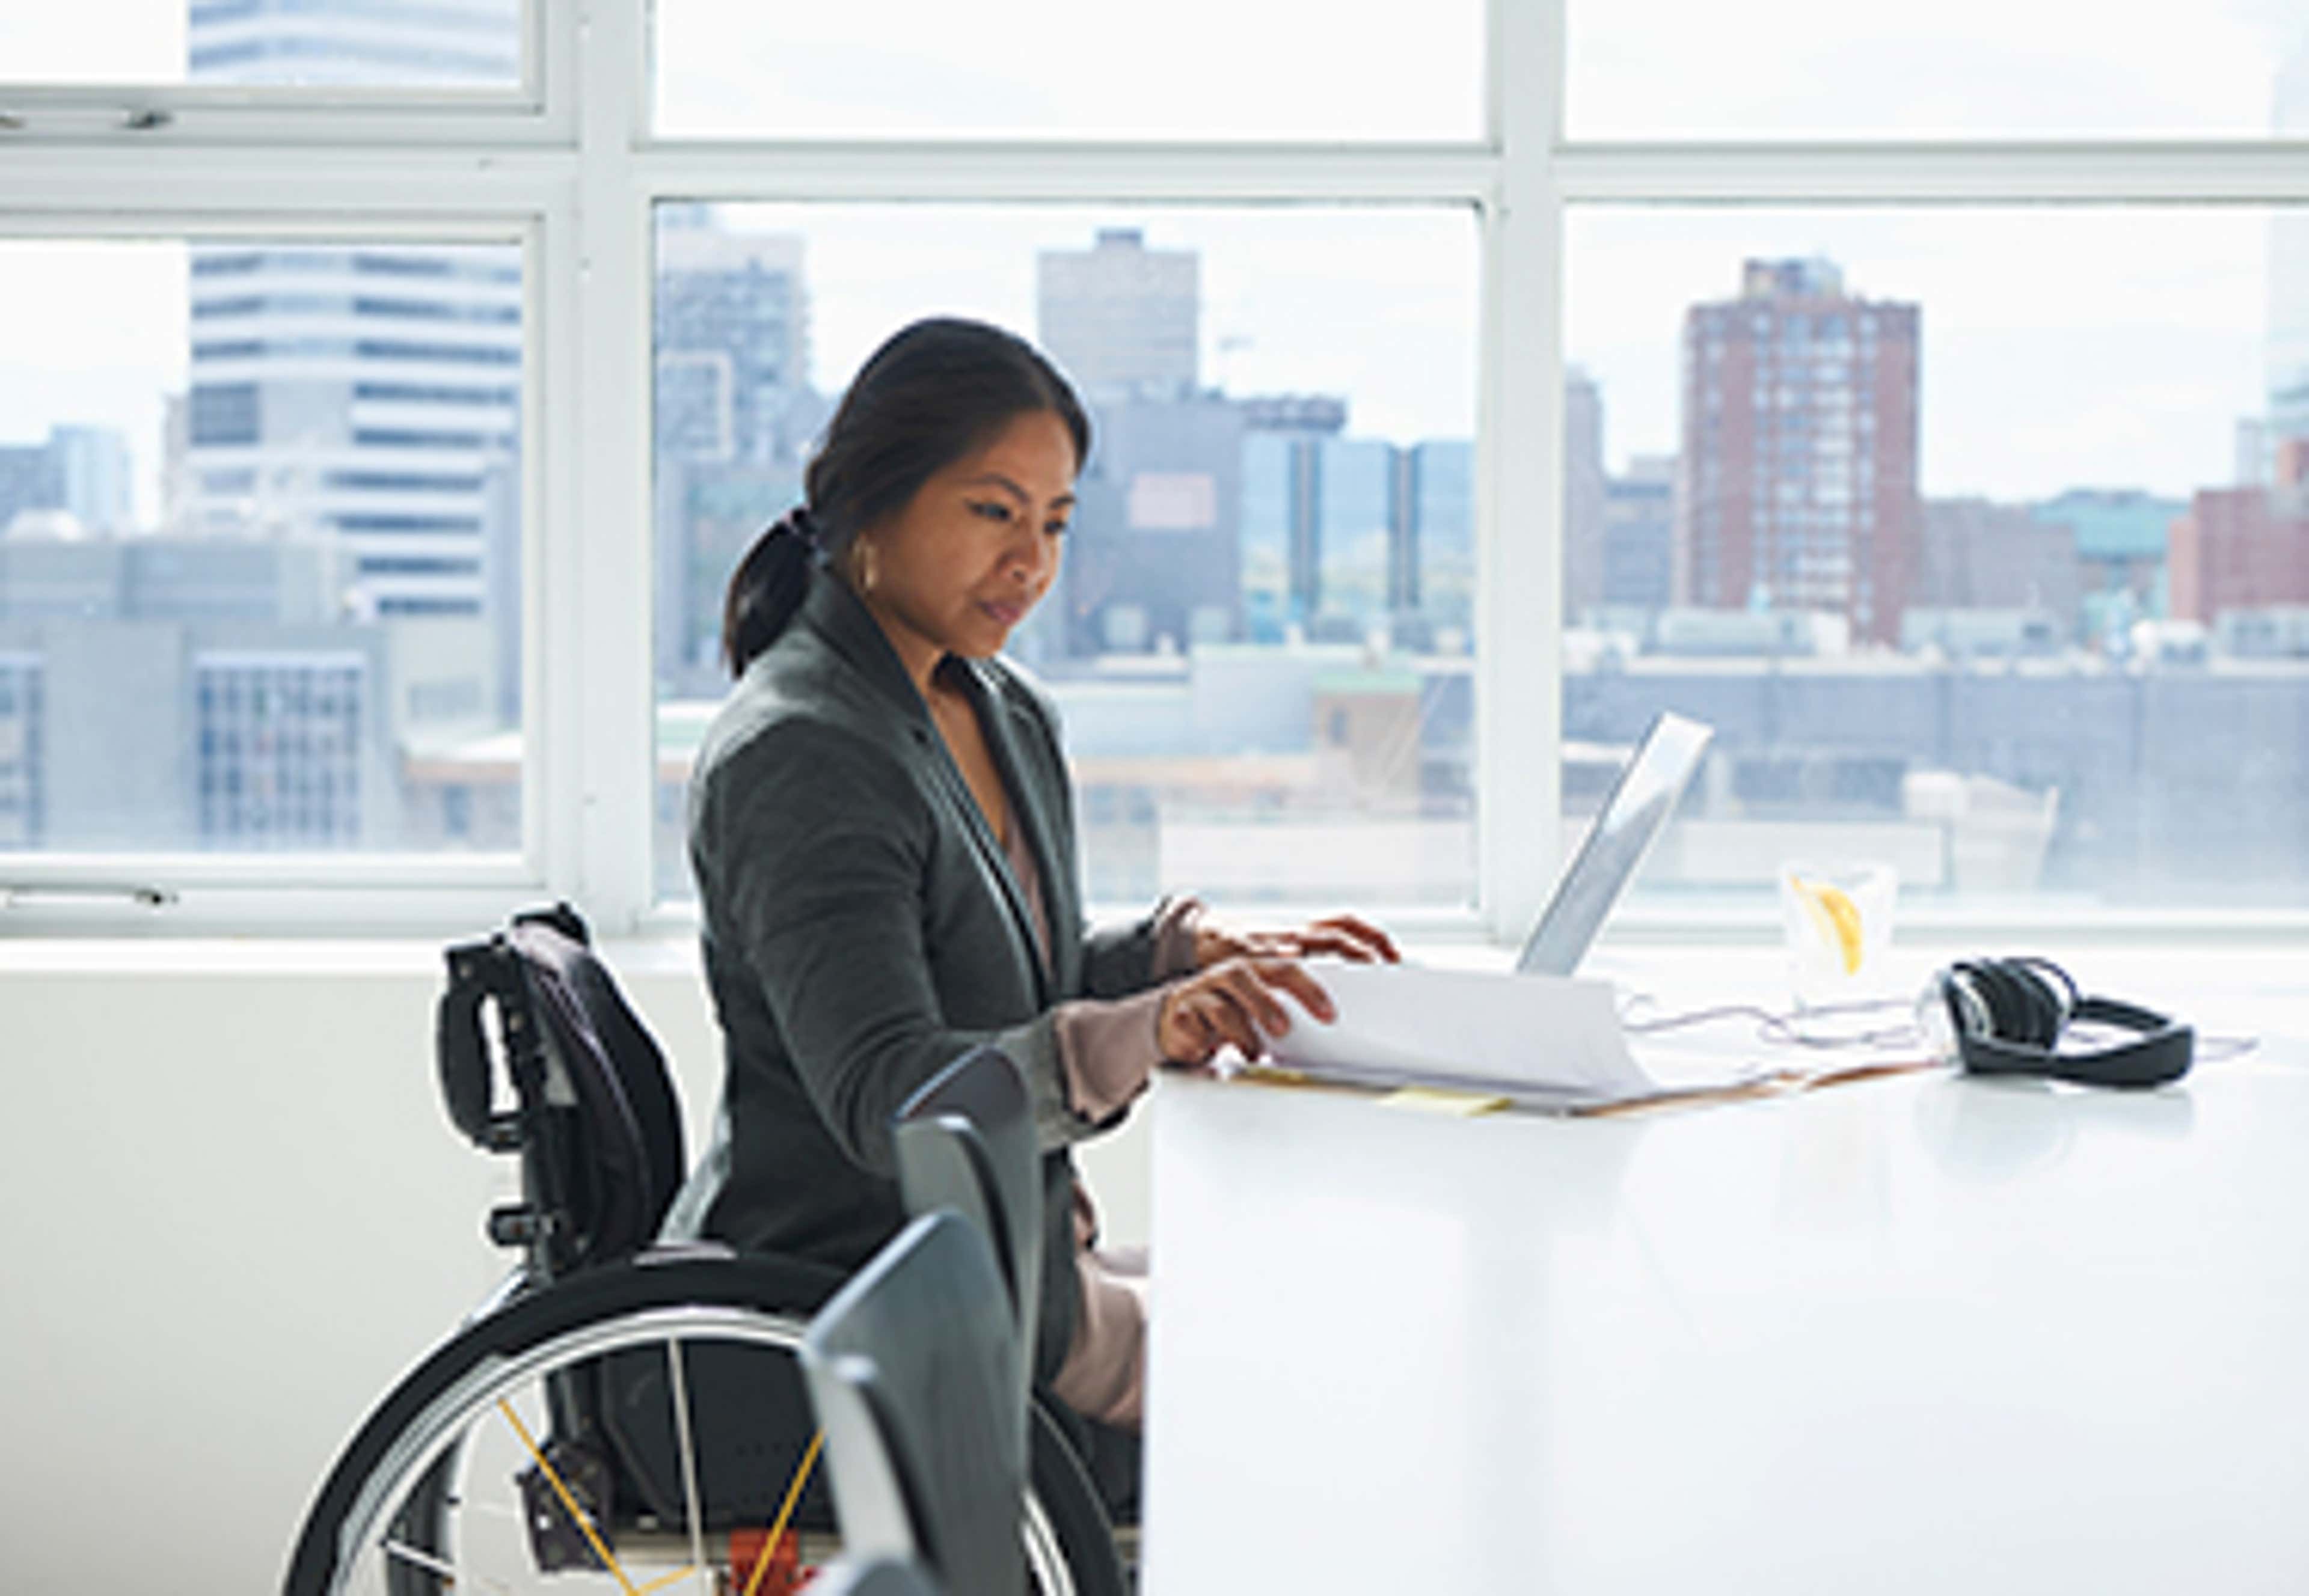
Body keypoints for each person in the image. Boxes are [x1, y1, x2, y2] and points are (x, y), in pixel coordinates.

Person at [678, 316, 1397, 1451]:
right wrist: (1148, 1029)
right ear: (872, 497)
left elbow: (1009, 978)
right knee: (1338, 1379)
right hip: (879, 1301)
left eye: (1056, 523)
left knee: (1344, 1302)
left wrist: (1185, 958)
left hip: (1021, 1263)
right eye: (992, 511)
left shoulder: (996, 708)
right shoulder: (803, 749)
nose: (1032, 562)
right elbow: (893, 1093)